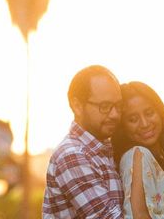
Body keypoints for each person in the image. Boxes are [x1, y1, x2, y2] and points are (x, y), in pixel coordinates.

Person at [42, 65, 125, 218]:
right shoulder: (72, 155)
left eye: (118, 106)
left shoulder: (105, 151)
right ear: (77, 106)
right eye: (105, 106)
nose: (114, 114)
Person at [112, 81, 164, 219]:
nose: (144, 124)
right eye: (133, 119)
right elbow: (138, 216)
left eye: (149, 113)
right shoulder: (138, 154)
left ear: (160, 112)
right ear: (123, 127)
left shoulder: (159, 160)